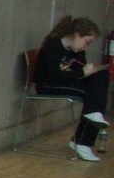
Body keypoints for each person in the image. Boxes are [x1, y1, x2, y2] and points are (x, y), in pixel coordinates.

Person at [35, 15, 110, 161]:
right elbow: (56, 75)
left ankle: (84, 136)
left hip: (66, 82)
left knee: (102, 76)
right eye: (86, 42)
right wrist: (82, 73)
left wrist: (91, 71)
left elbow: (78, 72)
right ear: (76, 35)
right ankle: (82, 141)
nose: (86, 46)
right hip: (49, 85)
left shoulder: (78, 51)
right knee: (93, 95)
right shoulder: (52, 46)